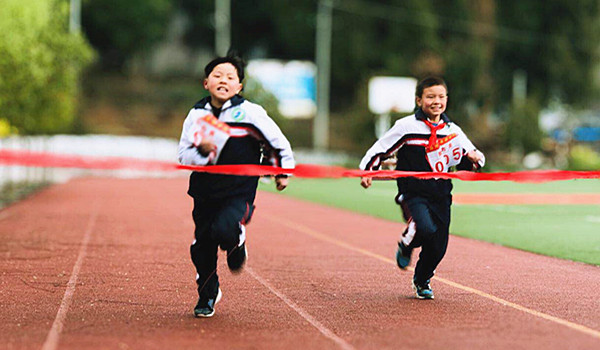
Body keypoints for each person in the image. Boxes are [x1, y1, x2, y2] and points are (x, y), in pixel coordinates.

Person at [178, 53, 295, 317]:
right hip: (204, 191)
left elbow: (276, 142)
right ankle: (207, 296)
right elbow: (183, 155)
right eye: (217, 76)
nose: (224, 80)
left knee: (226, 227)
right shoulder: (196, 115)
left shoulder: (251, 113)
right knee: (202, 247)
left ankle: (236, 240)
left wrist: (282, 171)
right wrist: (202, 150)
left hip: (238, 191)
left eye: (230, 77)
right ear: (205, 82)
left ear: (239, 86)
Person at [359, 76, 484, 299]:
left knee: (438, 246)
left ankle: (422, 279)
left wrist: (475, 158)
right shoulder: (406, 126)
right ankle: (406, 245)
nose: (436, 101)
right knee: (424, 227)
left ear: (447, 99)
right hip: (412, 192)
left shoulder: (452, 130)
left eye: (441, 97)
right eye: (430, 97)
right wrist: (368, 169)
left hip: (441, 195)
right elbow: (381, 148)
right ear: (419, 100)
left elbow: (472, 156)